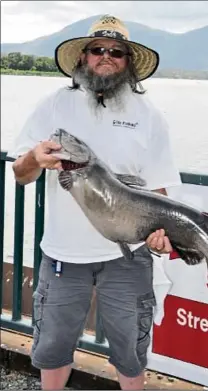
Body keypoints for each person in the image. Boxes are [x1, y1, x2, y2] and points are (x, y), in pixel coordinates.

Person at [8, 15, 181, 391]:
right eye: (98, 49)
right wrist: (35, 158)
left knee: (131, 352)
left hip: (129, 255)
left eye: (116, 52)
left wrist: (162, 232)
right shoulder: (53, 105)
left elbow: (160, 188)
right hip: (62, 255)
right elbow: (20, 174)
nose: (107, 57)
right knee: (52, 348)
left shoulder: (149, 116)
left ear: (128, 62)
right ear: (83, 57)